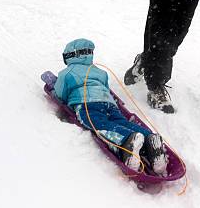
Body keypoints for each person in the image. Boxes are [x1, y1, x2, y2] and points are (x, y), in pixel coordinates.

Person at [53, 38, 167, 176]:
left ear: (69, 56)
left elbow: (61, 94)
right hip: (109, 104)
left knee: (100, 124)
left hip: (87, 104)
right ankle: (150, 138)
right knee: (121, 121)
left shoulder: (66, 73)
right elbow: (106, 90)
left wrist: (58, 95)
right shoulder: (100, 72)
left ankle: (127, 141)